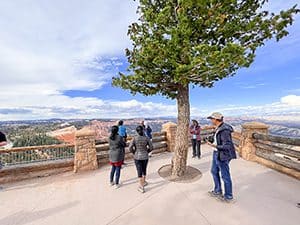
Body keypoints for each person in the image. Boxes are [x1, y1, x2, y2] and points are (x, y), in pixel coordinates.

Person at [206, 112, 237, 203]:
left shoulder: (224, 130)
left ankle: (228, 196)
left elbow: (227, 145)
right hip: (217, 153)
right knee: (214, 171)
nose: (211, 120)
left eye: (211, 119)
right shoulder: (219, 128)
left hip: (223, 155)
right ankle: (218, 190)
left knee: (225, 176)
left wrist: (214, 146)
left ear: (216, 119)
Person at [129, 125, 153, 193]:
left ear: (137, 131)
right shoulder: (146, 138)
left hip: (137, 156)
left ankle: (141, 186)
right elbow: (151, 147)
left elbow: (130, 148)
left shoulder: (134, 138)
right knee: (144, 169)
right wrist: (147, 151)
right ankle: (144, 182)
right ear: (143, 130)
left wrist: (134, 152)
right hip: (145, 156)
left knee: (139, 170)